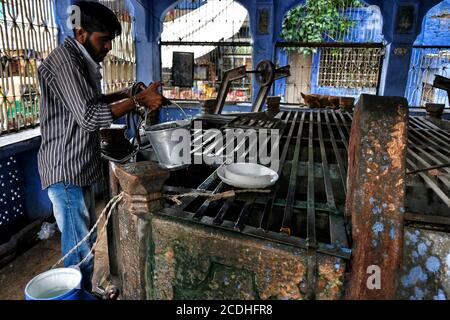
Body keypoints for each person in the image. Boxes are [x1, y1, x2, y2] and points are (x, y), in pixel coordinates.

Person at [37, 1, 164, 292]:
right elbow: (89, 116)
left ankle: (84, 291)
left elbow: (90, 103)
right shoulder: (65, 62)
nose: (108, 46)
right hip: (64, 167)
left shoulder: (80, 60)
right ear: (81, 33)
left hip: (78, 164)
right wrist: (139, 101)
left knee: (86, 239)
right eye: (102, 39)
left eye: (110, 40)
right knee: (79, 245)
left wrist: (126, 93)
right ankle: (76, 295)